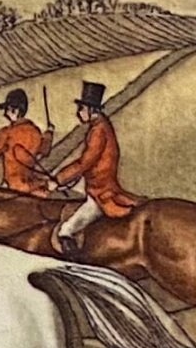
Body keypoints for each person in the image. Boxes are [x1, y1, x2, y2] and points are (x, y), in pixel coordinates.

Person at [53, 80, 137, 250]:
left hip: (101, 191)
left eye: (81, 109)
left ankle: (73, 259)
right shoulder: (99, 126)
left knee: (65, 230)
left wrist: (58, 179)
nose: (79, 113)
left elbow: (85, 162)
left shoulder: (98, 131)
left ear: (92, 110)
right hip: (94, 183)